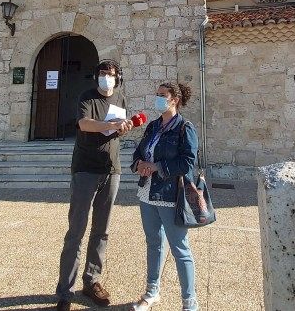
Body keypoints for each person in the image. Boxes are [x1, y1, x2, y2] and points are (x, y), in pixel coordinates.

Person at [56, 59, 132, 311]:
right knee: (76, 231)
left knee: (102, 231)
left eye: (110, 74)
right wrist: (110, 125)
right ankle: (65, 292)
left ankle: (92, 281)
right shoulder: (87, 97)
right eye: (102, 73)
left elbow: (116, 131)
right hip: (85, 169)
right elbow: (84, 124)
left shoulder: (120, 99)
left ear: (117, 78)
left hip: (112, 170)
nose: (106, 78)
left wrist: (124, 128)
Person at [129, 82, 199, 311]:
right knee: (153, 243)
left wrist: (157, 166)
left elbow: (188, 162)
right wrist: (139, 164)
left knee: (180, 247)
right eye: (156, 94)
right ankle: (152, 292)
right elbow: (139, 152)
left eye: (162, 95)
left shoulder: (184, 128)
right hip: (147, 192)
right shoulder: (152, 127)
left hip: (170, 194)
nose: (157, 98)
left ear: (174, 99)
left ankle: (190, 302)